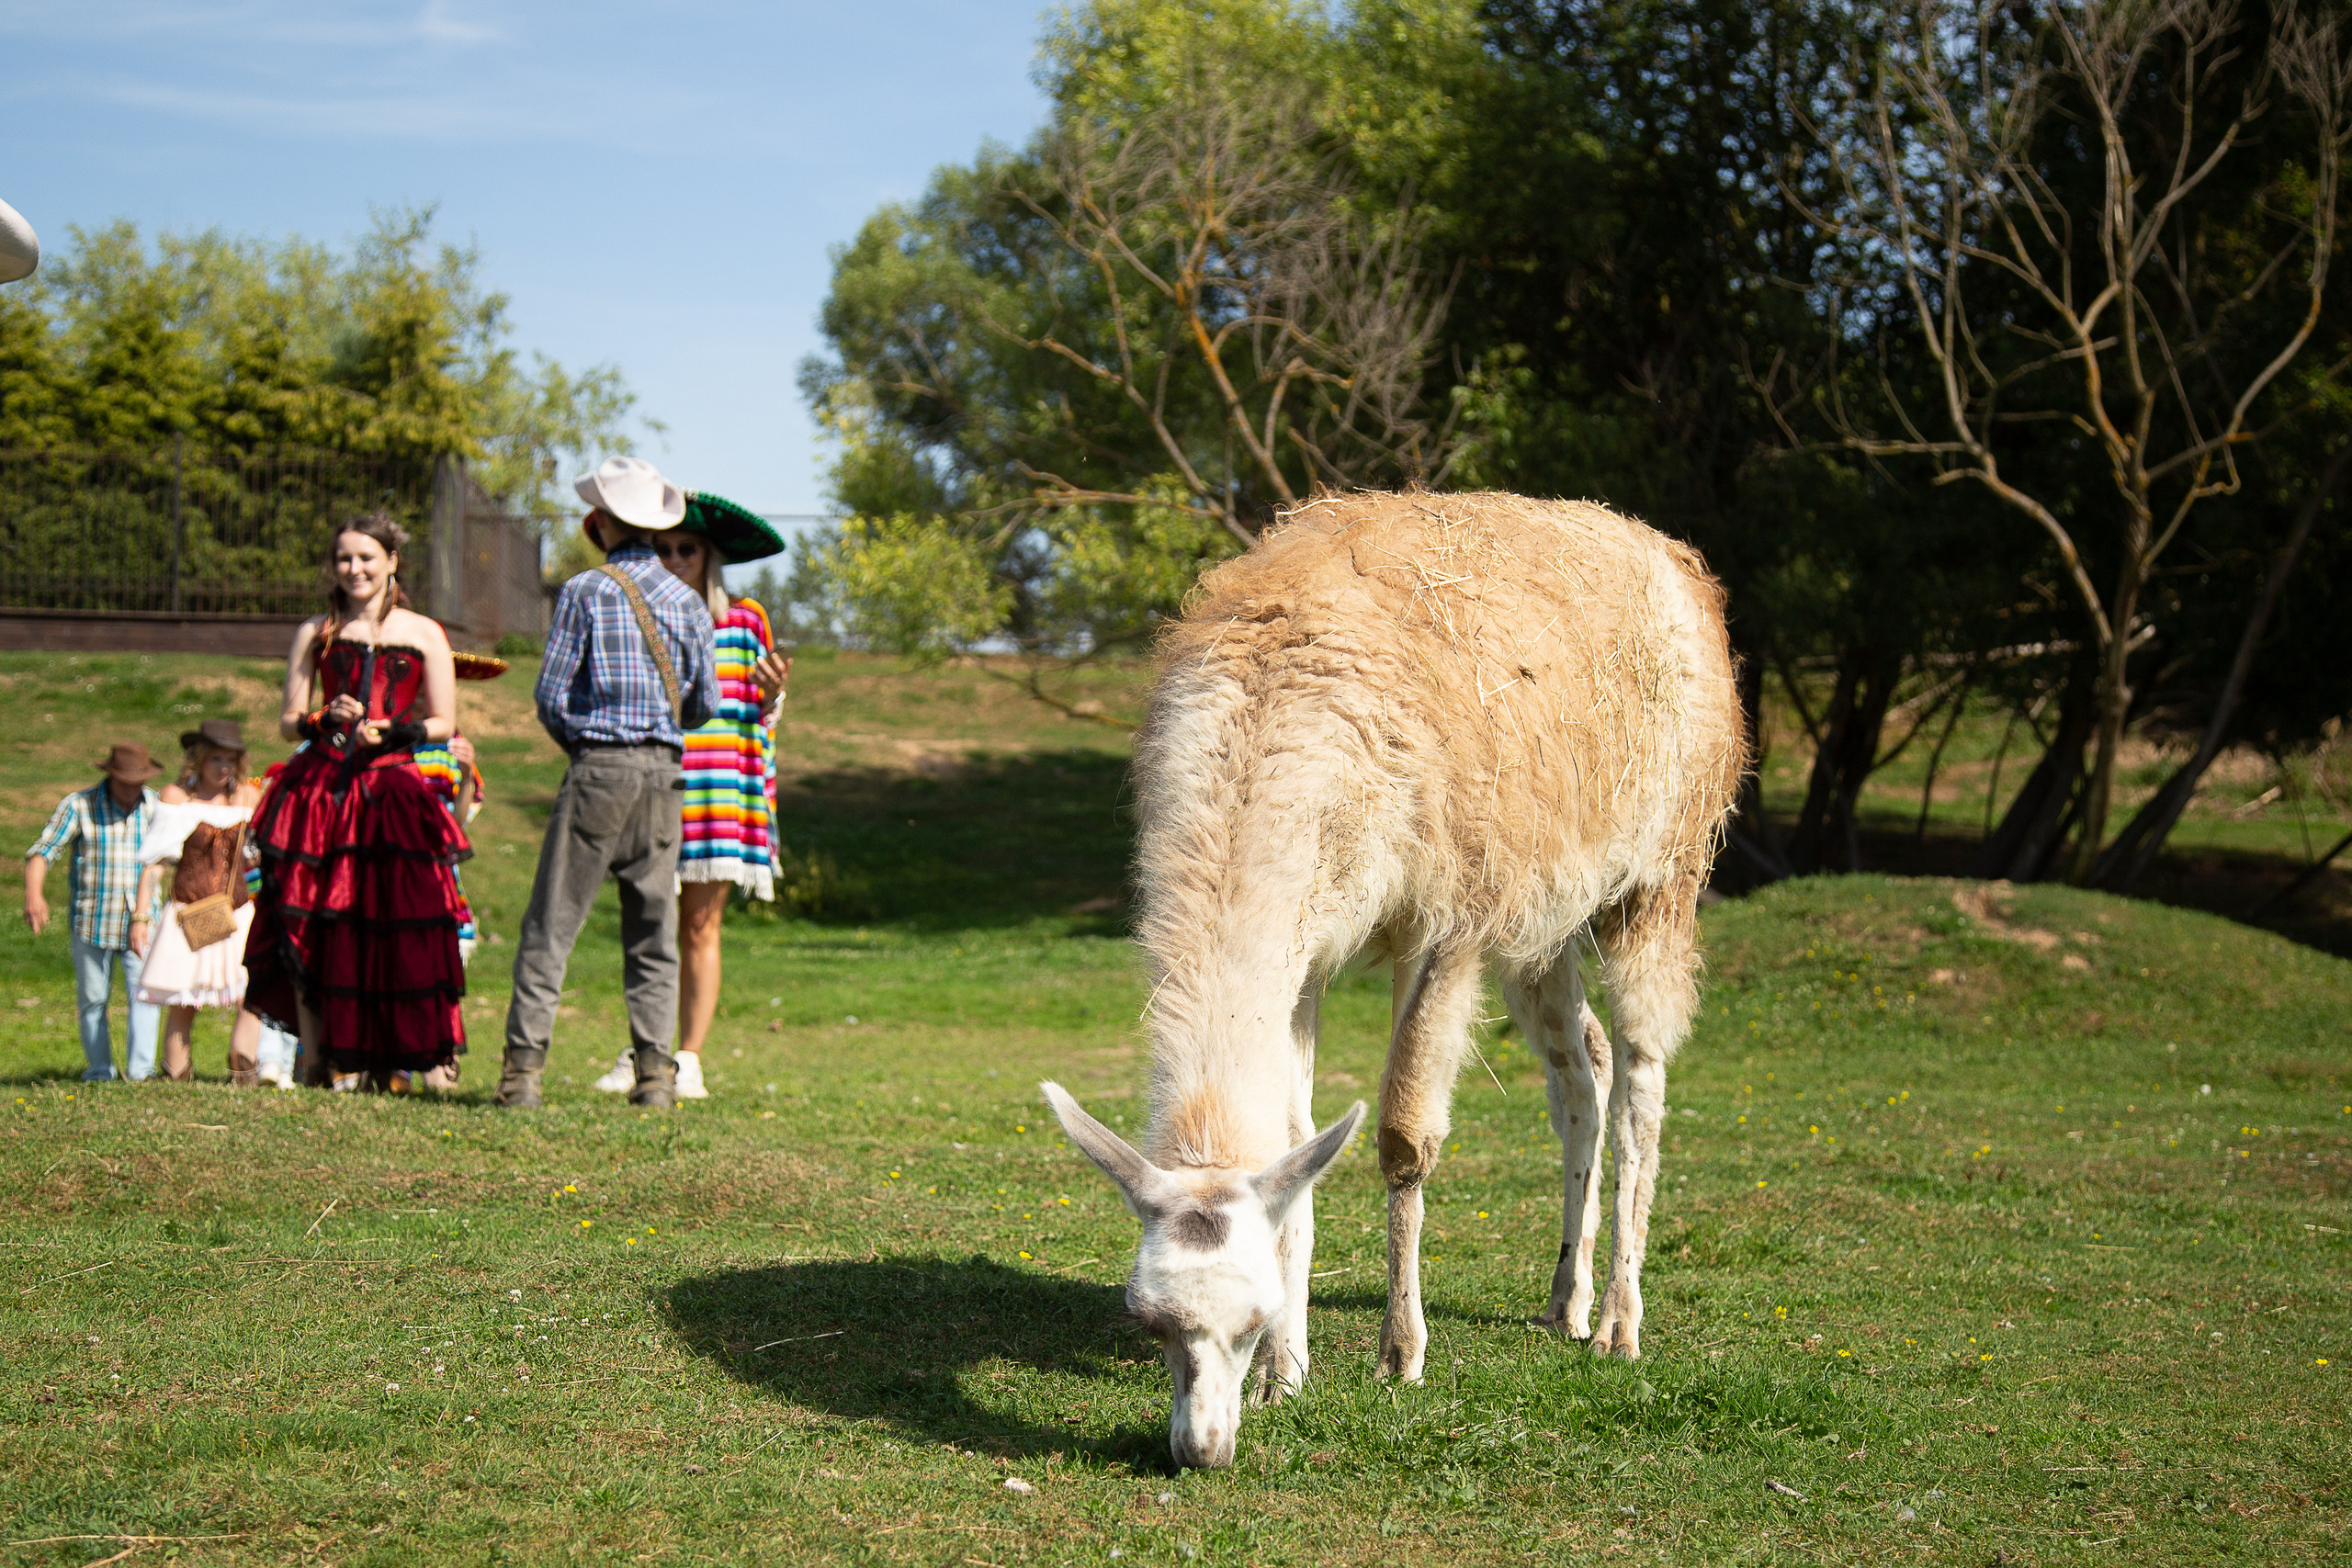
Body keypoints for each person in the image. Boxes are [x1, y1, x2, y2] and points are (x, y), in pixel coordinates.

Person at [498, 456, 718, 1111]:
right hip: (666, 777)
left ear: (600, 521)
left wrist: (588, 746)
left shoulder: (585, 592)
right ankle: (656, 1077)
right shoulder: (690, 600)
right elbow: (702, 704)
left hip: (600, 767)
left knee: (551, 928)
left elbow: (550, 695)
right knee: (654, 934)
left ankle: (523, 1076)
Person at [245, 512, 471, 1088]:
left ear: (391, 561)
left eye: (367, 557)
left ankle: (385, 1061)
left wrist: (404, 732)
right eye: (345, 558)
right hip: (321, 791)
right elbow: (288, 721)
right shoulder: (315, 632)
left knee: (392, 922)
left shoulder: (424, 633)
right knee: (311, 920)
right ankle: (319, 1059)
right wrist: (323, 718)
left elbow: (446, 718)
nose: (355, 569)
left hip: (390, 787)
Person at [592, 491, 791, 1100]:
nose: (676, 558)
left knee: (700, 926)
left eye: (689, 548)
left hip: (717, 792)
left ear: (709, 556)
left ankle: (689, 1056)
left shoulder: (743, 618)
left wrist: (772, 693)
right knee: (648, 923)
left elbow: (758, 714)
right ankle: (647, 1049)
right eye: (664, 547)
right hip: (649, 783)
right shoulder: (634, 616)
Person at [128, 719, 266, 1084]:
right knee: (183, 997)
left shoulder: (247, 798)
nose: (223, 767)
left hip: (236, 910)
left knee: (252, 990)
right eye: (216, 758)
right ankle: (175, 1073)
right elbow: (156, 862)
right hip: (188, 912)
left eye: (230, 760)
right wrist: (140, 917)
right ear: (200, 758)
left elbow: (260, 853)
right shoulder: (177, 797)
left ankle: (244, 1062)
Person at [24, 743, 164, 1081]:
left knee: (144, 996)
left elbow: (162, 860)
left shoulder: (156, 806)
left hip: (140, 922)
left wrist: (143, 917)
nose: (132, 789)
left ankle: (141, 1071)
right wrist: (34, 896)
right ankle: (100, 1070)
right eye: (125, 781)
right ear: (110, 776)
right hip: (91, 919)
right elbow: (43, 851)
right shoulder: (79, 805)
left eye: (138, 781)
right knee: (93, 999)